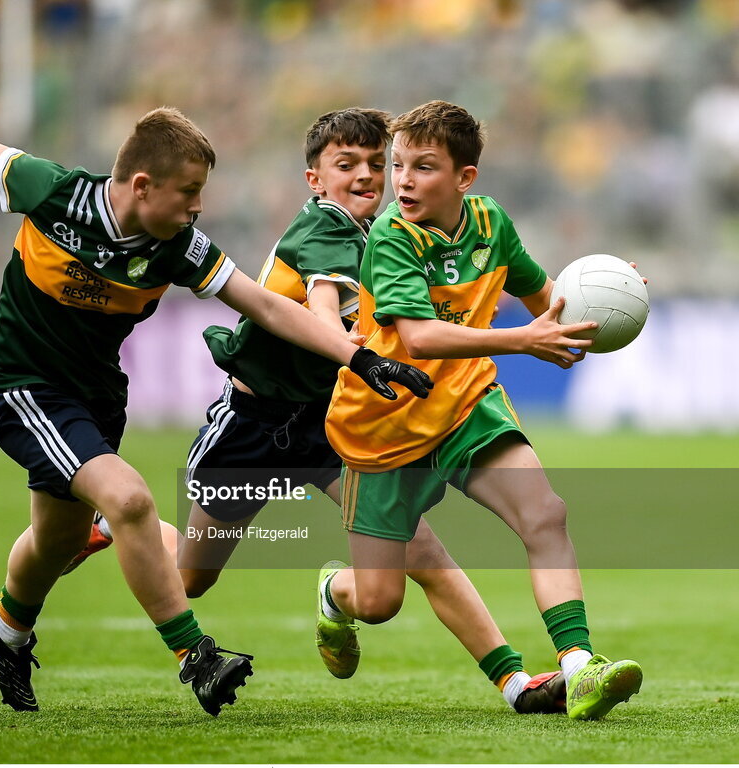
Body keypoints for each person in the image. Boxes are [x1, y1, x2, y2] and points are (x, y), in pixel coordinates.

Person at [0, 107, 431, 717]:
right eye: (190, 192)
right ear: (142, 185)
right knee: (129, 500)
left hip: (97, 398)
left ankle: (6, 630)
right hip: (27, 387)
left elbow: (268, 307)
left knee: (55, 538)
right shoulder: (55, 192)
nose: (198, 207)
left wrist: (355, 359)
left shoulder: (179, 247)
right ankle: (194, 655)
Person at [77, 107, 567, 714]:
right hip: (253, 429)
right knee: (188, 578)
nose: (367, 175)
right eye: (345, 164)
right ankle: (117, 526)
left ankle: (515, 682)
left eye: (372, 163)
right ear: (316, 181)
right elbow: (322, 301)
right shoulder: (323, 230)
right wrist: (347, 339)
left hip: (334, 425)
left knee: (424, 555)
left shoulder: (390, 234)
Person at [320, 100, 643, 721]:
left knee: (545, 513)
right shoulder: (391, 237)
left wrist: (610, 293)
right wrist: (523, 341)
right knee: (380, 600)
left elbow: (547, 302)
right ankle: (337, 595)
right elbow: (419, 338)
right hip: (383, 426)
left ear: (464, 179)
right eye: (397, 166)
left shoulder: (491, 224)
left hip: (468, 404)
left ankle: (580, 668)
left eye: (423, 167)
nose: (403, 180)